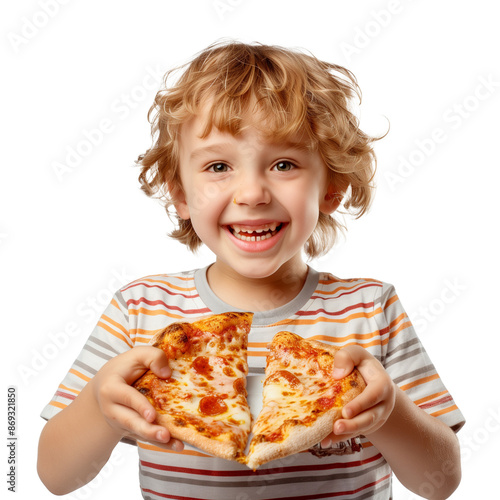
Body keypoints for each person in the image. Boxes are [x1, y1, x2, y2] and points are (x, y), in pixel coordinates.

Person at [37, 41, 464, 500]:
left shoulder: (369, 308)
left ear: (332, 188)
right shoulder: (141, 308)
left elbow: (439, 483)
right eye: (219, 165)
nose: (252, 193)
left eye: (284, 164)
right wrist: (101, 406)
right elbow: (57, 478)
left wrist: (389, 413)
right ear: (180, 193)